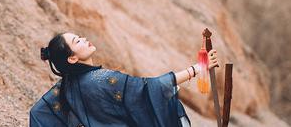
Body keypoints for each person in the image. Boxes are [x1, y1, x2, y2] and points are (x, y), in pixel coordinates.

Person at [29, 32, 219, 127]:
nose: (84, 39)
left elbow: (38, 113)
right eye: (77, 41)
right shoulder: (101, 79)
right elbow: (148, 89)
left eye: (79, 36)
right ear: (72, 58)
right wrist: (197, 69)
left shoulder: (65, 86)